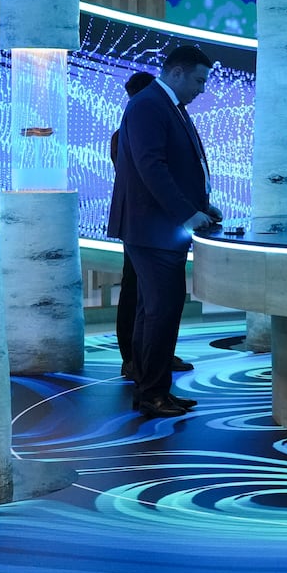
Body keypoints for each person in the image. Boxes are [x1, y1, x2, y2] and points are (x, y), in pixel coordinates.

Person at [108, 44, 222, 420]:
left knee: (152, 311)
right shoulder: (148, 105)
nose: (202, 88)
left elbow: (174, 165)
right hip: (152, 230)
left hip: (157, 229)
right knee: (161, 311)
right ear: (177, 73)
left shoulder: (166, 105)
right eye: (199, 80)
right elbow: (151, 166)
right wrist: (186, 214)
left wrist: (199, 208)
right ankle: (153, 393)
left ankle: (150, 387)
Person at [109, 70, 192, 382]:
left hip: (154, 228)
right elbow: (147, 177)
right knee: (137, 293)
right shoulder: (128, 134)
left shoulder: (132, 130)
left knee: (150, 299)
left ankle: (151, 356)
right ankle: (133, 358)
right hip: (142, 227)